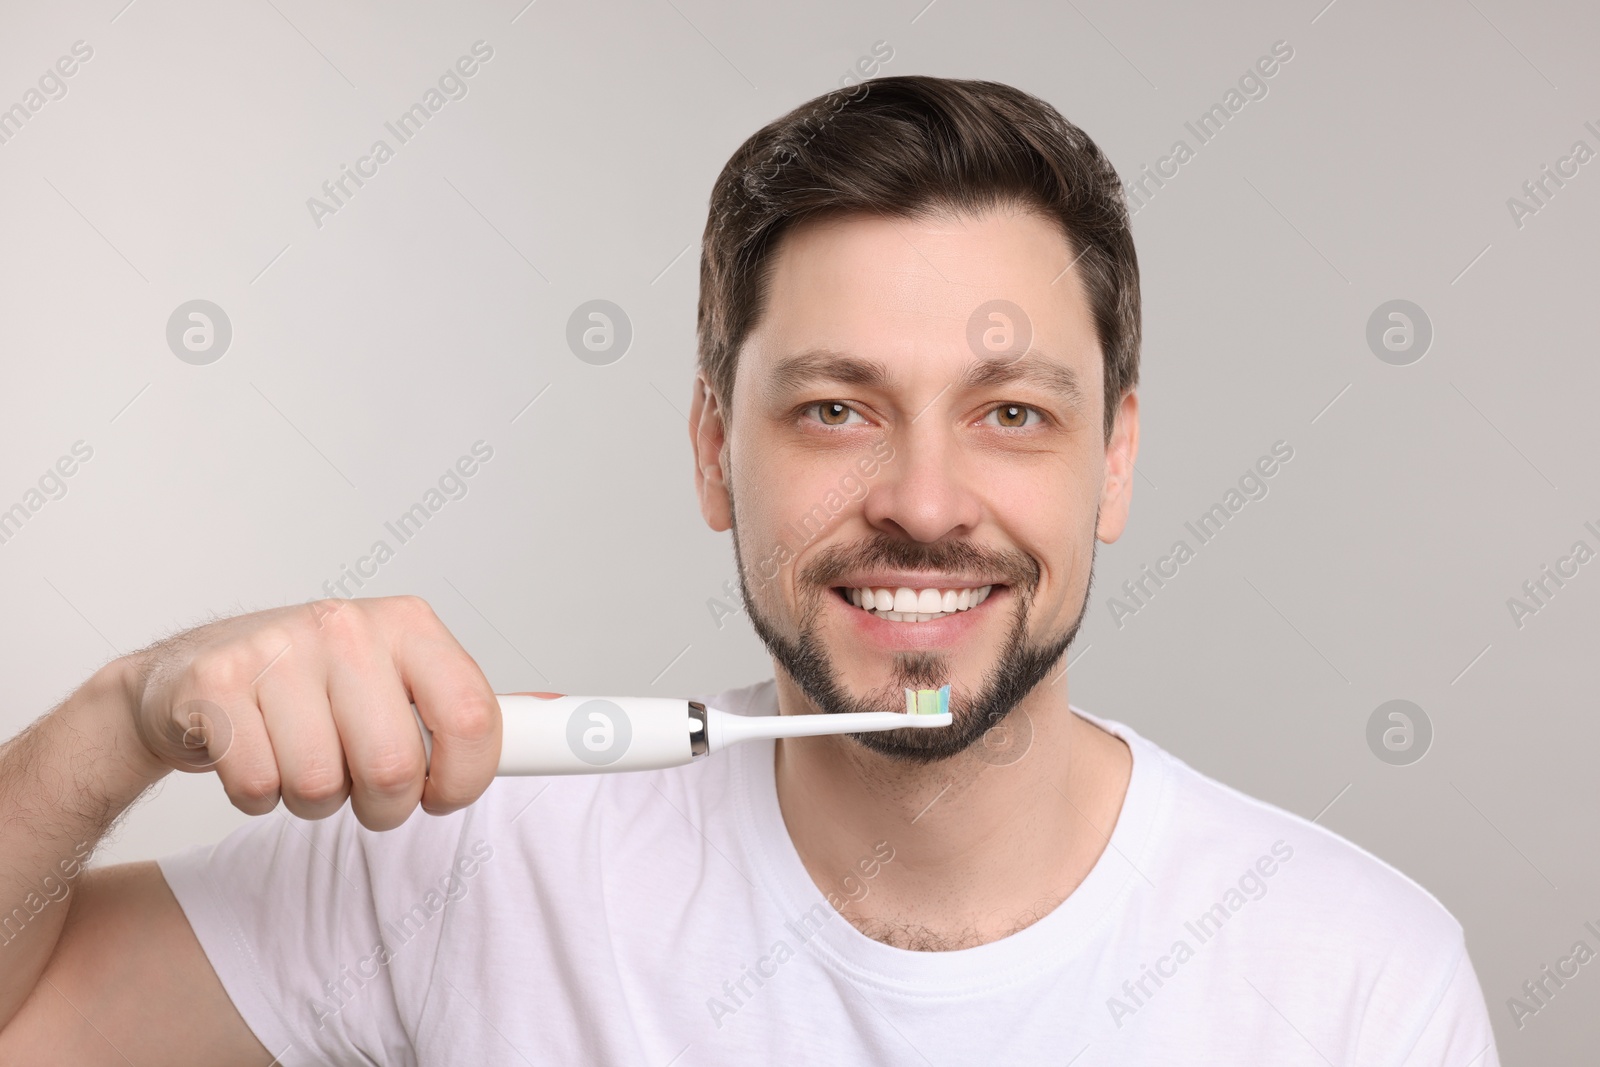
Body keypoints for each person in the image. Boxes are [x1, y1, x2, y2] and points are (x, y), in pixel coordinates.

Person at [0, 75, 1498, 1064]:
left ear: (1112, 462)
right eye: (836, 407)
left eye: (1013, 415)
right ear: (717, 448)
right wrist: (124, 716)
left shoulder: (1354, 984)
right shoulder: (469, 866)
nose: (924, 503)